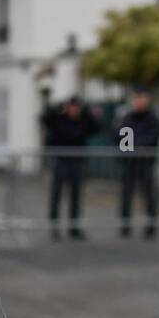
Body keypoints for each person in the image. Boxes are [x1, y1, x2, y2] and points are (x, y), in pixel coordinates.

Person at [42, 96, 99, 240]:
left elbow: (97, 127)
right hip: (60, 161)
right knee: (56, 194)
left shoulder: (83, 120)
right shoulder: (58, 119)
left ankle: (74, 227)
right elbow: (45, 119)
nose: (74, 110)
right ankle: (54, 226)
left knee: (76, 195)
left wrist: (87, 111)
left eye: (77, 108)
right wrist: (56, 107)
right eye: (72, 107)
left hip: (77, 161)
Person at [116, 86, 159, 239]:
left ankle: (151, 226)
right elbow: (123, 137)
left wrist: (136, 145)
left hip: (146, 162)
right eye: (136, 98)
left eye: (141, 98)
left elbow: (152, 139)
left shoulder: (154, 118)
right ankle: (125, 225)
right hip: (130, 162)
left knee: (149, 195)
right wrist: (134, 146)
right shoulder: (128, 117)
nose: (138, 102)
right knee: (126, 194)